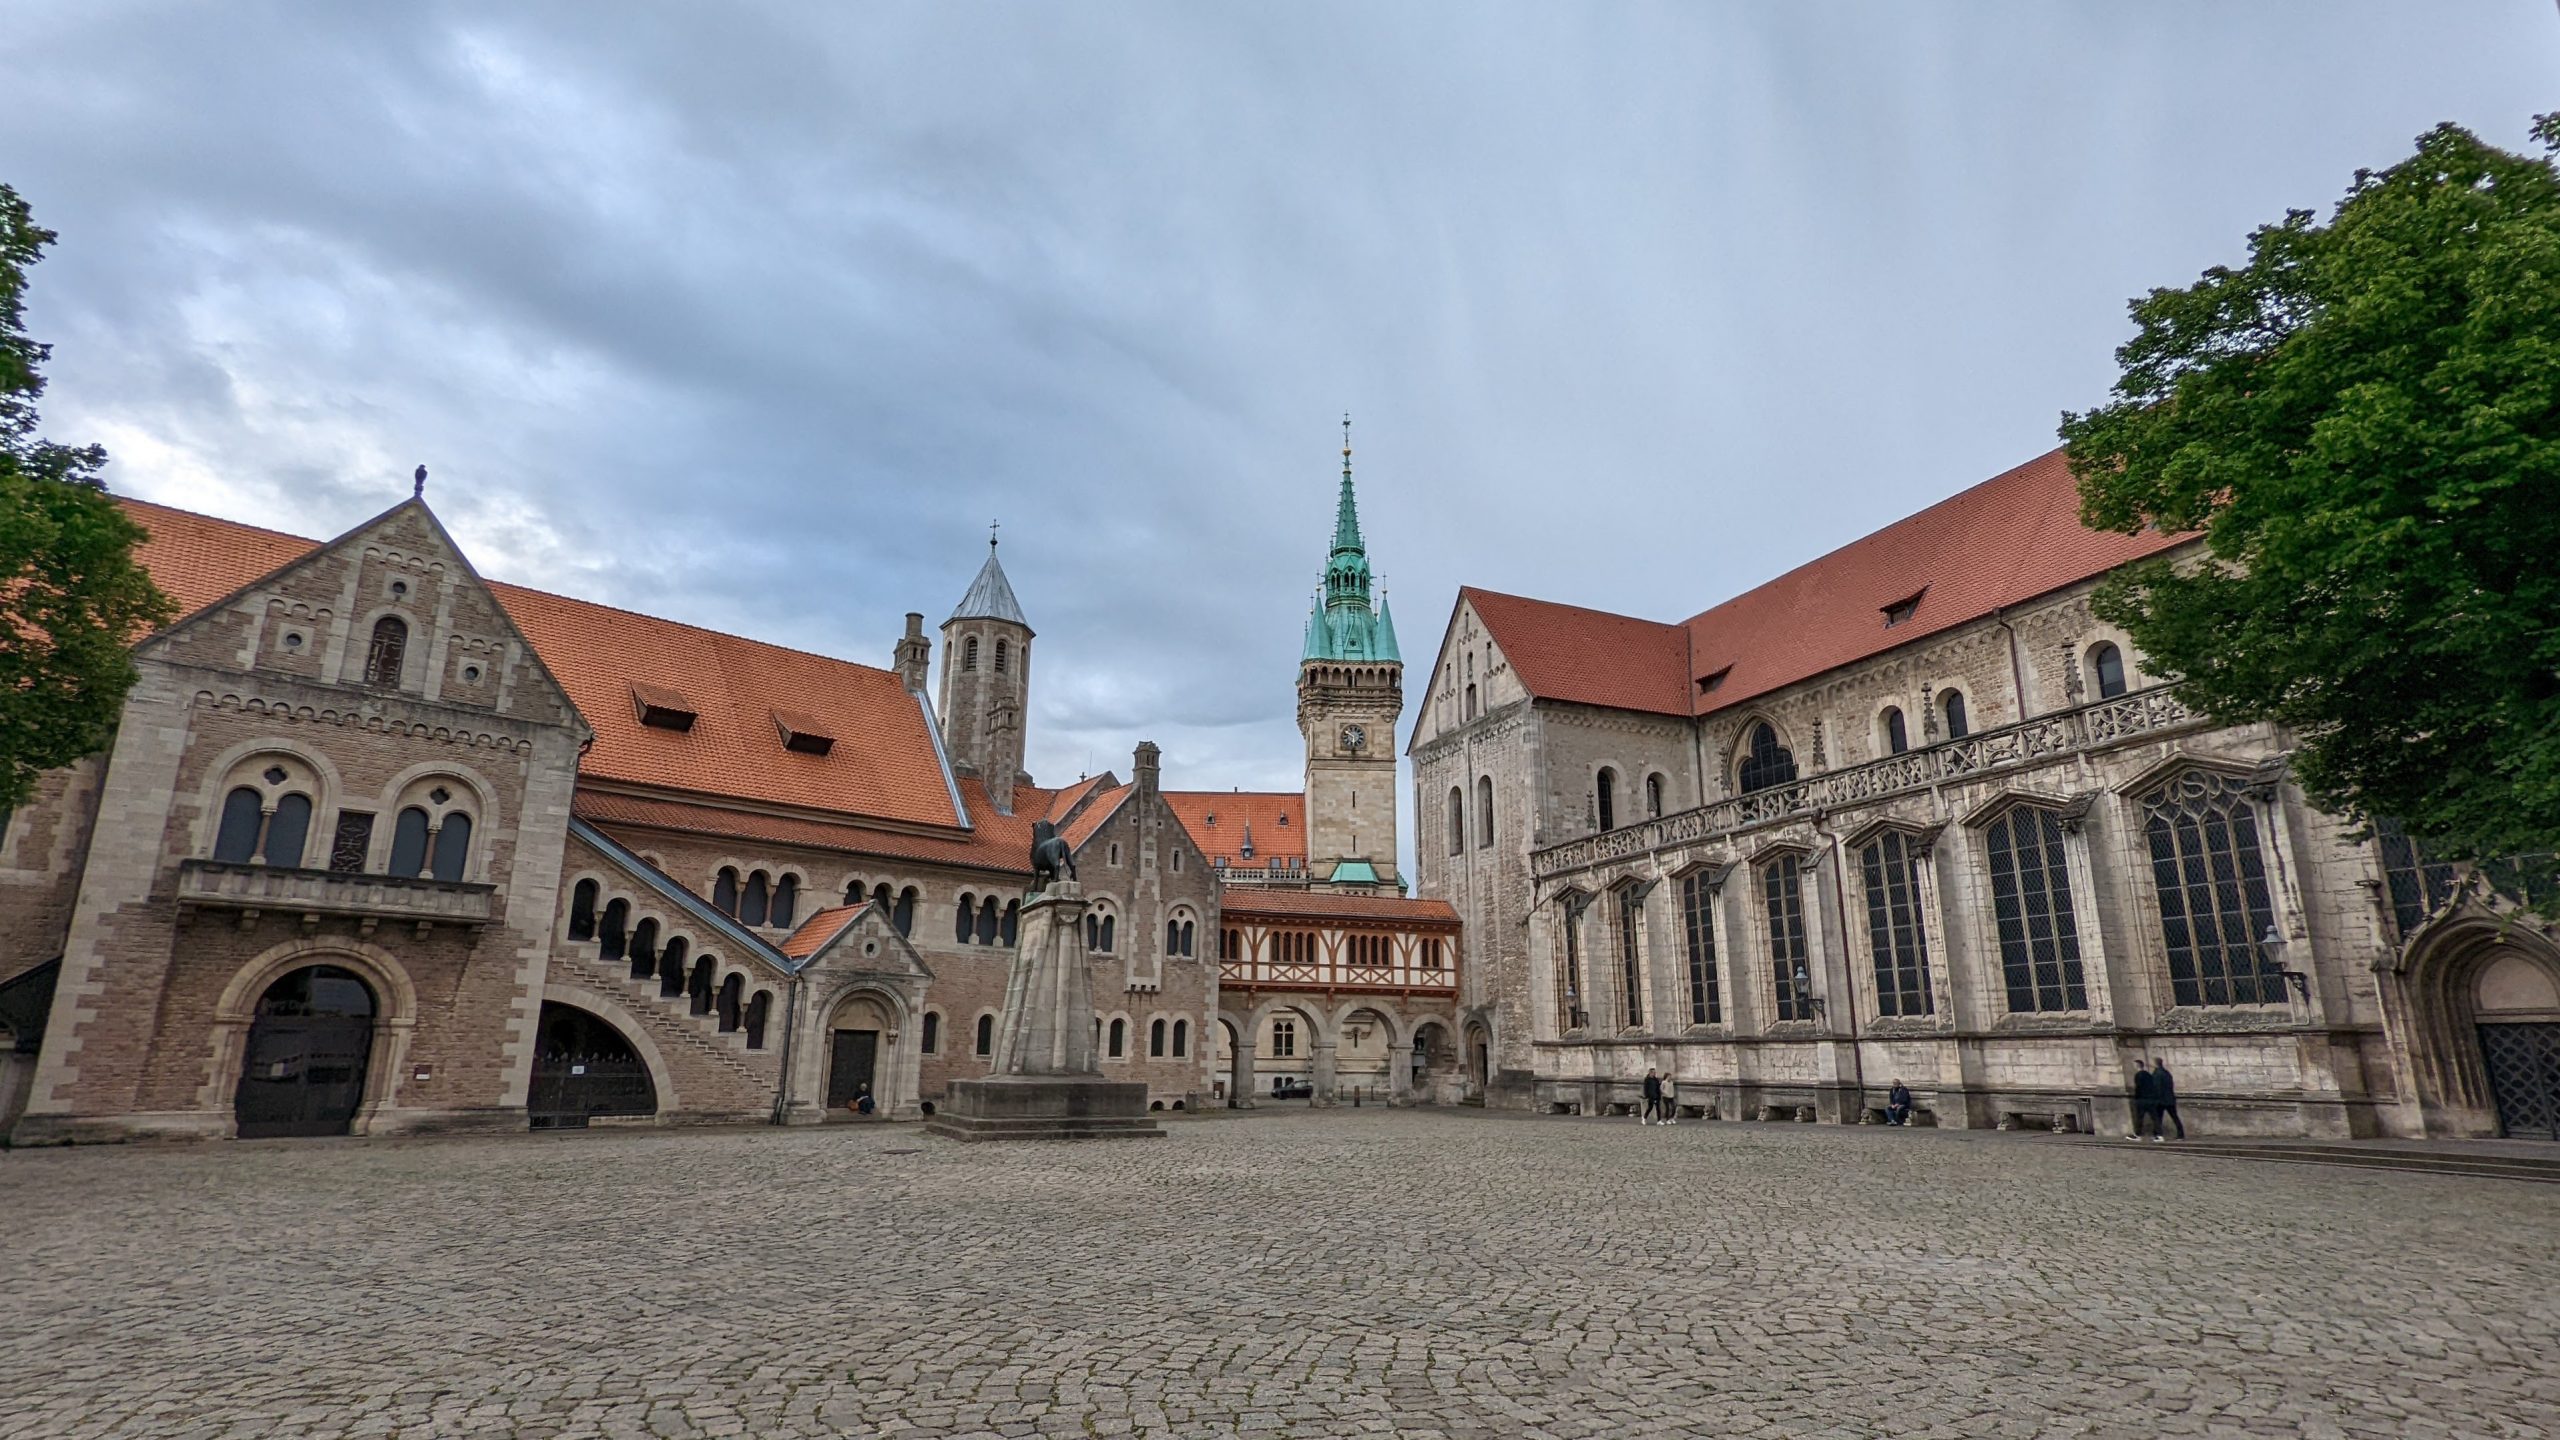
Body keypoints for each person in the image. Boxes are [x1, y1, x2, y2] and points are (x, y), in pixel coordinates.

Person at [2151, 1058, 2185, 1141]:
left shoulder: (2157, 1074)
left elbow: (2157, 1087)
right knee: (2174, 1117)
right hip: (2170, 1098)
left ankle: (2158, 1135)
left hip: (2161, 1100)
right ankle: (2181, 1134)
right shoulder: (2167, 1073)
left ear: (2155, 1064)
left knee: (2158, 1118)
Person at [2127, 1060, 2158, 1140]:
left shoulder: (2138, 1075)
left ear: (2137, 1066)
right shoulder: (2148, 1075)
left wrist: (2136, 1098)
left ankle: (2138, 1135)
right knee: (2154, 1117)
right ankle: (2159, 1135)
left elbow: (2138, 1088)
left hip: (2142, 1099)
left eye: (2134, 1065)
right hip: (2151, 1099)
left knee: (2139, 1118)